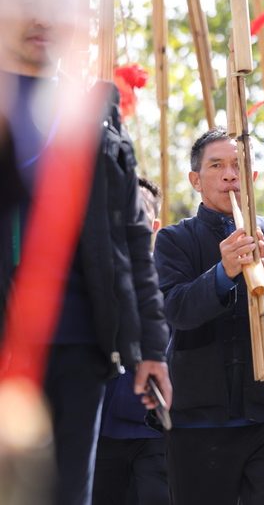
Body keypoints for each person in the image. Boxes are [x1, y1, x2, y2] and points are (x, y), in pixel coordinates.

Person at [0, 0, 171, 505]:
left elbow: (133, 242)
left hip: (80, 344)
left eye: (54, 8)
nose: (40, 20)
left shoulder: (96, 116)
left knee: (66, 495)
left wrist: (150, 347)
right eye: (25, 5)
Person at [153, 128, 264, 505]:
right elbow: (175, 309)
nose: (230, 174)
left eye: (239, 165)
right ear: (196, 180)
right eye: (217, 165)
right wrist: (223, 272)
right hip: (197, 419)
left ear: (252, 177)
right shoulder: (174, 240)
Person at [93, 177, 169, 505]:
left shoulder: (172, 272)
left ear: (153, 224)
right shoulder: (91, 272)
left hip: (155, 425)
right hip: (100, 423)